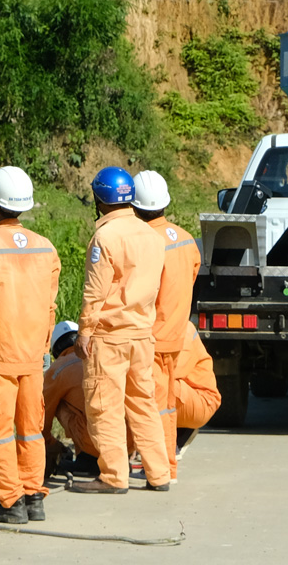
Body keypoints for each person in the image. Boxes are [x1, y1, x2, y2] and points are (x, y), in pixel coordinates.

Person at [0, 165, 61, 525]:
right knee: (31, 429)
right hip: (33, 357)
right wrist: (45, 348)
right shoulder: (45, 248)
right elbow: (50, 307)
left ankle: (10, 504)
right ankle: (34, 497)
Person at [70, 166, 170, 494]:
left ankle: (114, 477)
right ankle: (159, 473)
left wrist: (84, 331)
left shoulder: (106, 237)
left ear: (100, 199)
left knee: (105, 406)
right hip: (142, 334)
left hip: (109, 337)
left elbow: (95, 291)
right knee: (144, 404)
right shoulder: (152, 237)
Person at [132, 169, 200, 486]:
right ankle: (166, 464)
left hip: (152, 339)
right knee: (167, 404)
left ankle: (159, 470)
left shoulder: (144, 243)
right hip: (176, 335)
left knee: (155, 406)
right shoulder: (185, 239)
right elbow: (191, 275)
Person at [41, 320, 101, 478]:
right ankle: (114, 461)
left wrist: (50, 443)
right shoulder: (100, 356)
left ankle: (88, 458)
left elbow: (41, 415)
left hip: (96, 445)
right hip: (124, 442)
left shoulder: (58, 369)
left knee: (57, 402)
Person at [171, 327, 223, 456]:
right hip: (182, 394)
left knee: (153, 387)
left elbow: (172, 372)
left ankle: (168, 449)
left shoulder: (182, 329)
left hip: (201, 399)